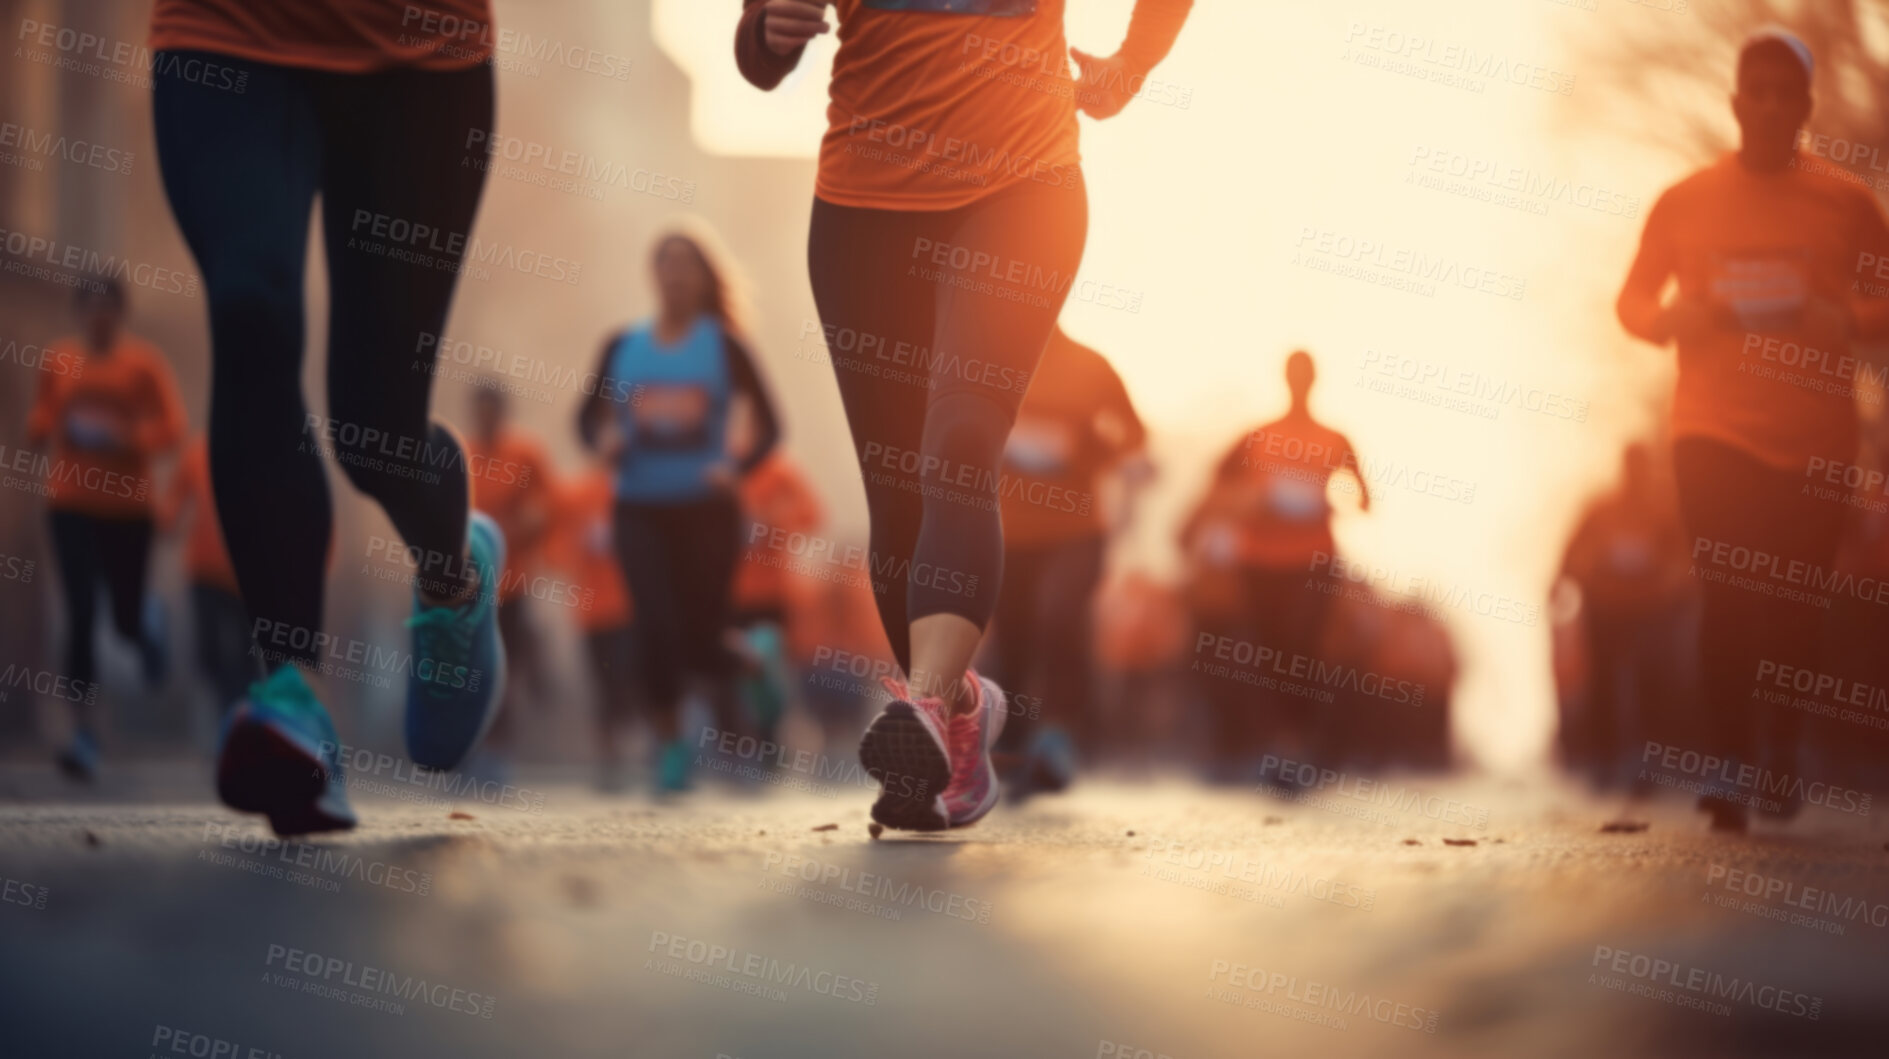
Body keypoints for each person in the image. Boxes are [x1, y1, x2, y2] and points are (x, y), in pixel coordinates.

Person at [737, 0, 1194, 831]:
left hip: (1023, 189)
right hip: (861, 212)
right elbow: (759, 58)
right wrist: (764, 30)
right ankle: (956, 718)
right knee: (897, 488)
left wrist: (1134, 62)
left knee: (959, 442)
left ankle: (928, 702)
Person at [149, 0, 508, 835]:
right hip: (225, 33)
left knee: (374, 432)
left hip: (423, 59)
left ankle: (454, 574)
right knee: (249, 311)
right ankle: (291, 699)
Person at [1614, 27, 1889, 832]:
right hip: (1710, 429)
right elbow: (1629, 303)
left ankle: (1779, 742)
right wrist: (1671, 318)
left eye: (1785, 94)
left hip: (1814, 439)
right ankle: (1730, 763)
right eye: (1755, 92)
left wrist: (1843, 318)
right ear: (1736, 105)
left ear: (1803, 108)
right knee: (1728, 594)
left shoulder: (1846, 203)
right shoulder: (1683, 201)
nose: (1769, 106)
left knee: (1794, 607)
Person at [577, 229, 782, 794]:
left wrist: (736, 469)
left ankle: (754, 660)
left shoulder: (724, 347)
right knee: (653, 628)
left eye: (686, 265)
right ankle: (671, 746)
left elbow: (772, 424)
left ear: (703, 278)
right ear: (652, 274)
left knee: (698, 638)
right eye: (665, 263)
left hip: (707, 512)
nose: (674, 274)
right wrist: (603, 445)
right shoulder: (622, 346)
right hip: (639, 507)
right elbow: (585, 419)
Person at [26, 280, 187, 780]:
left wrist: (128, 437)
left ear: (120, 314)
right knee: (80, 609)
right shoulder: (59, 359)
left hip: (129, 508)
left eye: (107, 310)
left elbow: (173, 428)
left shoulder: (144, 364)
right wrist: (42, 426)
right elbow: (44, 412)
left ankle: (146, 627)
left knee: (122, 618)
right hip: (70, 502)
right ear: (79, 313)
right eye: (90, 309)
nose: (98, 318)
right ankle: (83, 732)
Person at [1185, 351, 1369, 774]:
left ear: (1314, 380)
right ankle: (1276, 743)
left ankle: (1296, 742)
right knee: (1270, 653)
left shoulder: (1335, 440)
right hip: (1261, 562)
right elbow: (1218, 478)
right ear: (1286, 379)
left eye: (1306, 375)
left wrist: (1334, 500)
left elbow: (1363, 496)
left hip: (1314, 561)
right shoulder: (1257, 436)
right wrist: (1250, 500)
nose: (1299, 382)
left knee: (1303, 648)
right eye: (1294, 374)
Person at [988, 325, 1146, 799]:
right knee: (1012, 637)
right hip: (1009, 531)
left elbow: (1133, 432)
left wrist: (1092, 450)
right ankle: (1013, 749)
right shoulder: (995, 358)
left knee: (1059, 617)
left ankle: (1057, 738)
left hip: (1077, 528)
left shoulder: (1091, 366)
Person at [461, 385, 555, 771]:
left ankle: (498, 751)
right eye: (479, 411)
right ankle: (469, 746)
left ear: (502, 413)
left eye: (491, 411)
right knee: (469, 666)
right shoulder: (459, 451)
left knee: (503, 666)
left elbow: (550, 503)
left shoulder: (525, 452)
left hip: (512, 580)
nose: (485, 418)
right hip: (466, 581)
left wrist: (533, 521)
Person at [548, 459, 640, 791]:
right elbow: (555, 544)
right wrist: (580, 543)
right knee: (601, 681)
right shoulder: (578, 492)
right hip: (589, 610)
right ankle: (610, 752)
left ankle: (632, 730)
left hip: (630, 607)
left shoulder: (640, 488)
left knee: (625, 674)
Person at [729, 449, 825, 748]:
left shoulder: (778, 472)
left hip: (773, 596)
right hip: (727, 597)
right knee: (737, 671)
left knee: (771, 667)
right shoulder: (712, 471)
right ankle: (745, 740)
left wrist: (773, 523)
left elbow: (812, 514)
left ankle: (775, 732)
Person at [160, 434, 252, 717]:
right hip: (203, 572)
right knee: (207, 652)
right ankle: (229, 708)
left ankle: (244, 714)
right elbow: (171, 506)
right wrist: (162, 520)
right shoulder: (197, 454)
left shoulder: (260, 454)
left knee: (248, 655)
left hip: (249, 577)